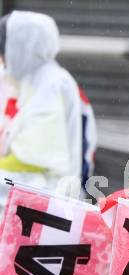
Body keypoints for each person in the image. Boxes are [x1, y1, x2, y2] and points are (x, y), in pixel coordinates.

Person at [0, 11, 87, 208]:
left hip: (45, 203)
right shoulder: (32, 79)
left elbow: (31, 158)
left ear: (20, 47)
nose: (3, 59)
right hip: (33, 199)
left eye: (4, 50)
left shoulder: (51, 83)